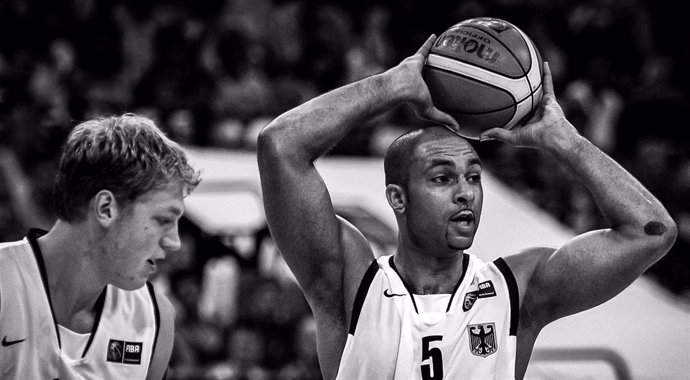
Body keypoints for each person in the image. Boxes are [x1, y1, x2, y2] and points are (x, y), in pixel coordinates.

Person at [256, 34, 677, 379]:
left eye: (473, 176)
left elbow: (650, 231)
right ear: (397, 198)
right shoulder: (348, 281)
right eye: (442, 178)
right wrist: (392, 86)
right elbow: (280, 146)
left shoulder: (519, 290)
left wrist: (562, 139)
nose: (466, 192)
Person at [0, 114, 200, 379]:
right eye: (163, 220)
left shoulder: (155, 318)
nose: (174, 242)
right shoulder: (5, 285)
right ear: (106, 208)